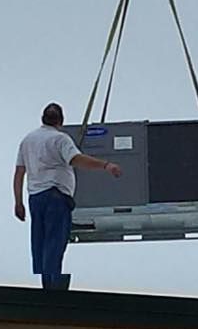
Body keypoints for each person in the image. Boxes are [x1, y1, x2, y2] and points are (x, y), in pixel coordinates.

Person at [13, 103, 122, 290]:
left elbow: (19, 173)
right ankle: (54, 284)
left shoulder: (28, 140)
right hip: (56, 196)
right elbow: (76, 159)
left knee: (40, 242)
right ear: (61, 121)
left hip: (35, 198)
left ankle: (46, 283)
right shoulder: (60, 139)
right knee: (55, 241)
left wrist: (18, 202)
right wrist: (106, 165)